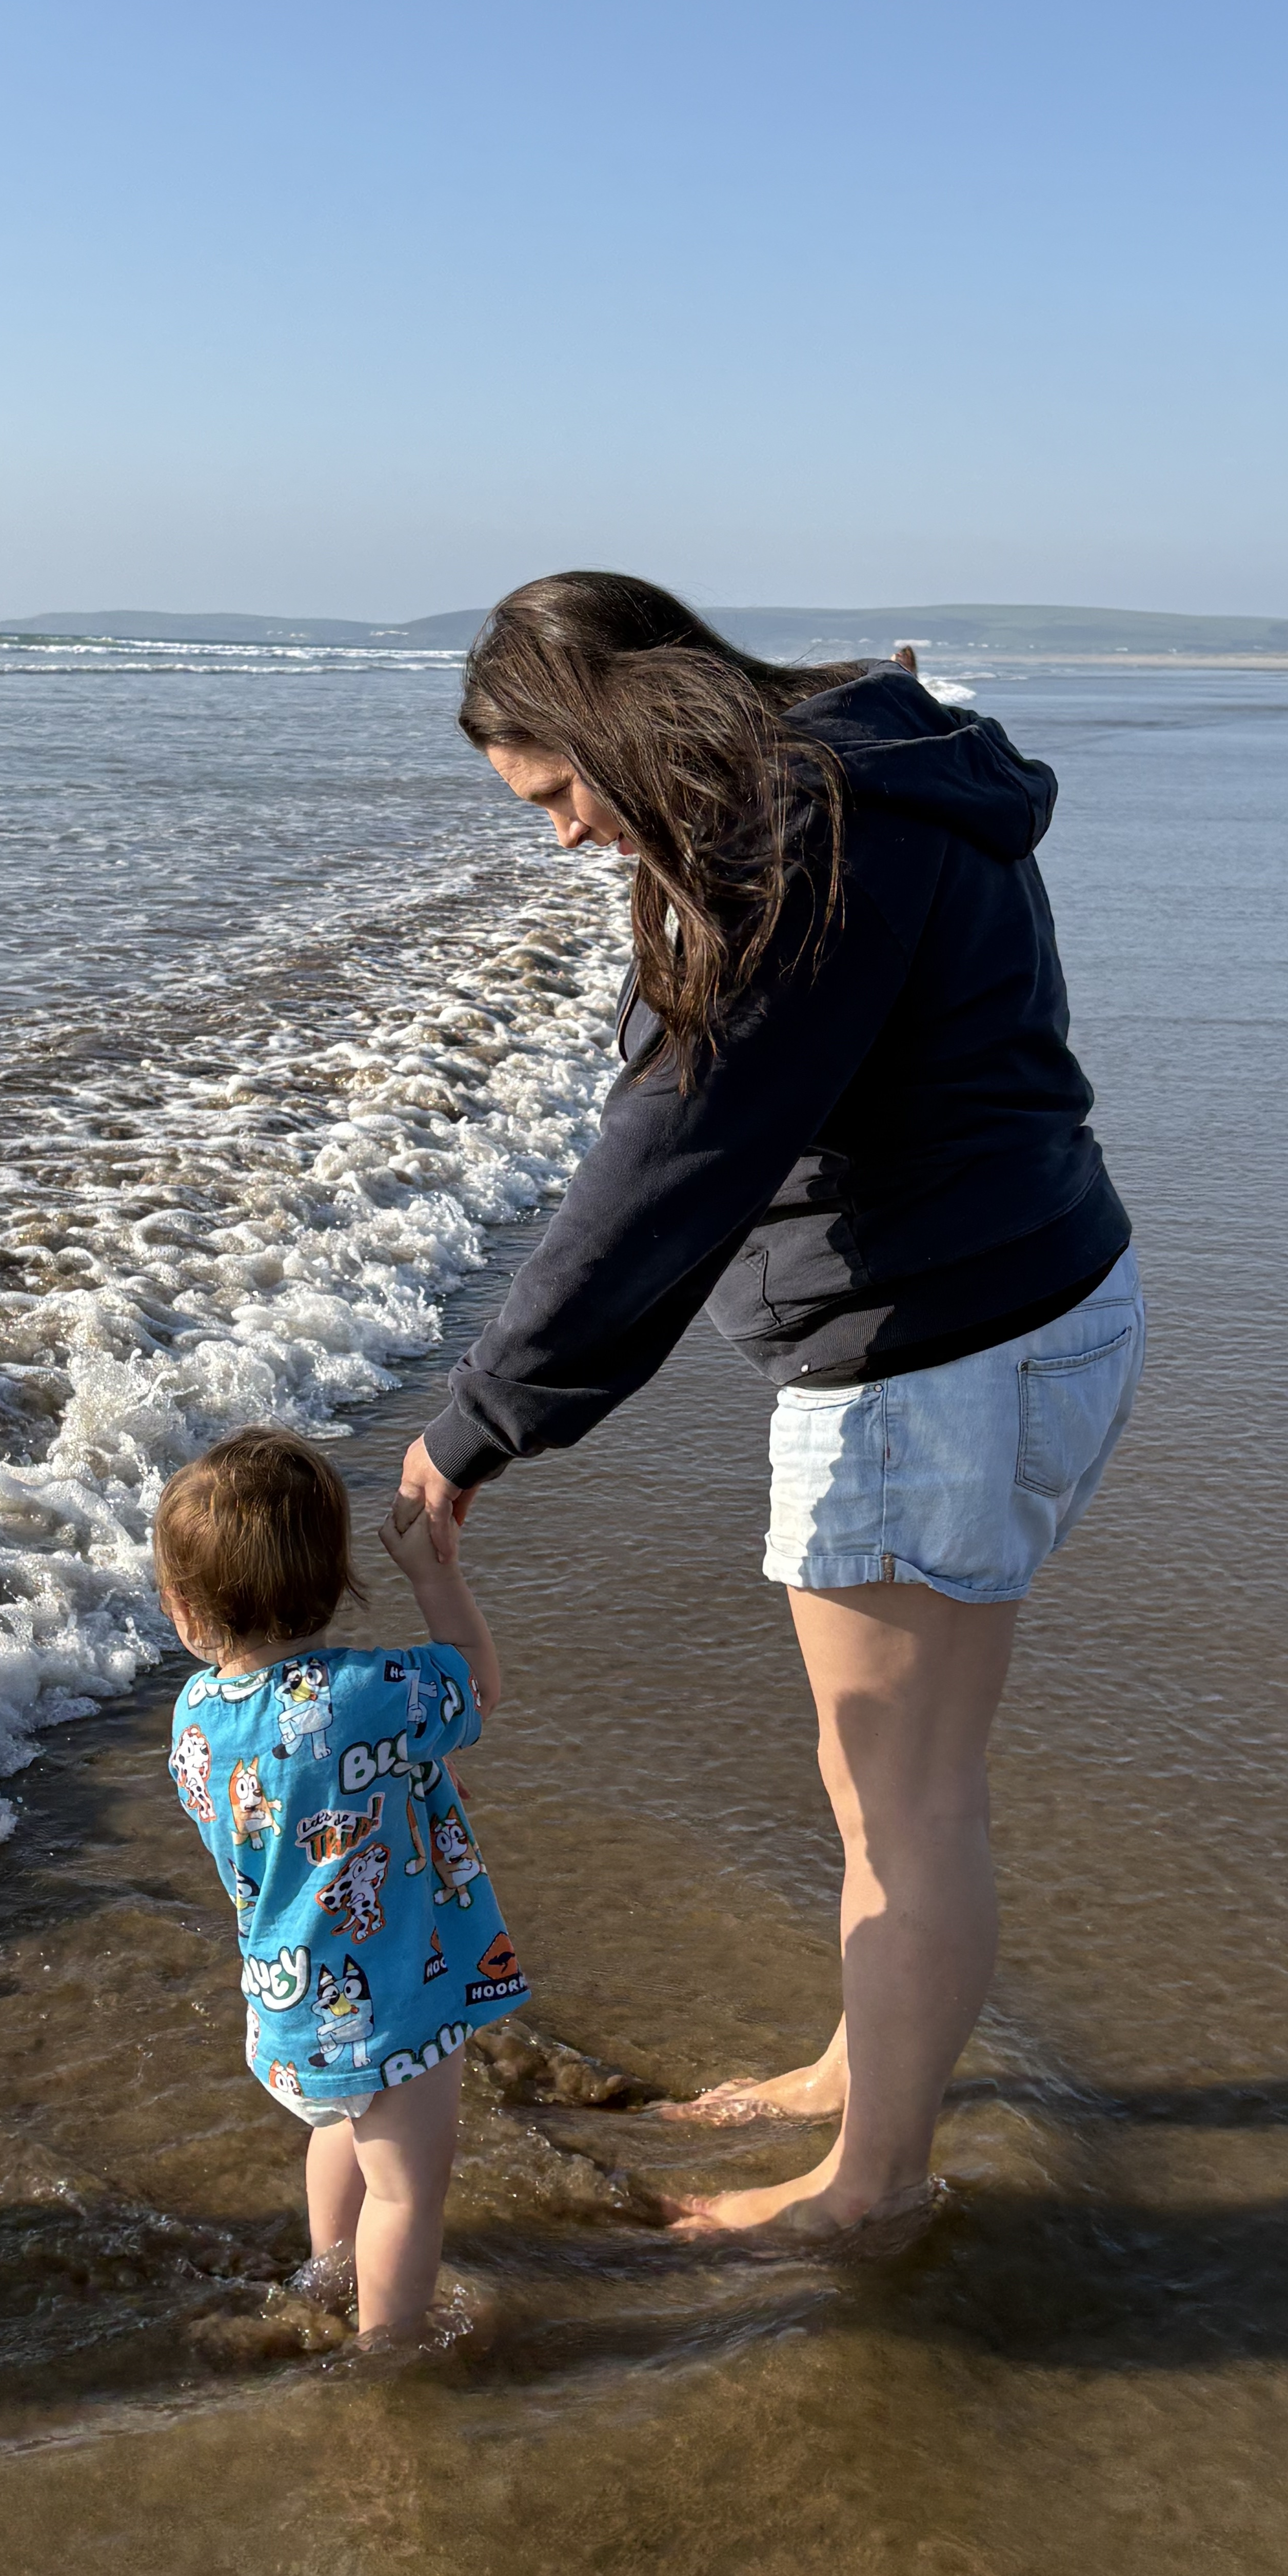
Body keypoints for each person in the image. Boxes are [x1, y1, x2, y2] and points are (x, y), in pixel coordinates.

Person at [393, 572, 1144, 2241]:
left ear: (607, 727)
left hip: (935, 1365)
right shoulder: (877, 760)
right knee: (883, 1778)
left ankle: (867, 2189)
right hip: (1038, 1308)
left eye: (563, 794)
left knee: (910, 1799)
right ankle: (855, 2072)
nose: (574, 839)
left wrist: (483, 1414)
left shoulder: (796, 848)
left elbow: (678, 1151)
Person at [155, 1425, 522, 2335]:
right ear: (337, 1577)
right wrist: (433, 1575)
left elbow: (278, 1801)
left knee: (335, 2132)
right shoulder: (374, 1695)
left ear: (184, 1612)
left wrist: (405, 1773)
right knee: (406, 2193)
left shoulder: (196, 1717)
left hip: (287, 2015)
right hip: (397, 2003)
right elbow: (476, 1688)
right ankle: (385, 2354)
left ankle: (326, 2272)